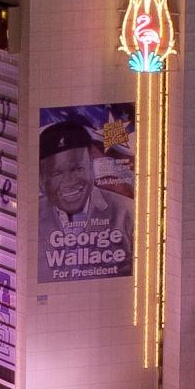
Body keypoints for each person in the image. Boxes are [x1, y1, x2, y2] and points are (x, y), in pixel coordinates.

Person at [37, 112, 128, 280]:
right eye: (57, 173)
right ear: (41, 179)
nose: (69, 181)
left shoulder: (127, 212)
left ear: (91, 166)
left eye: (77, 168)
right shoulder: (30, 218)